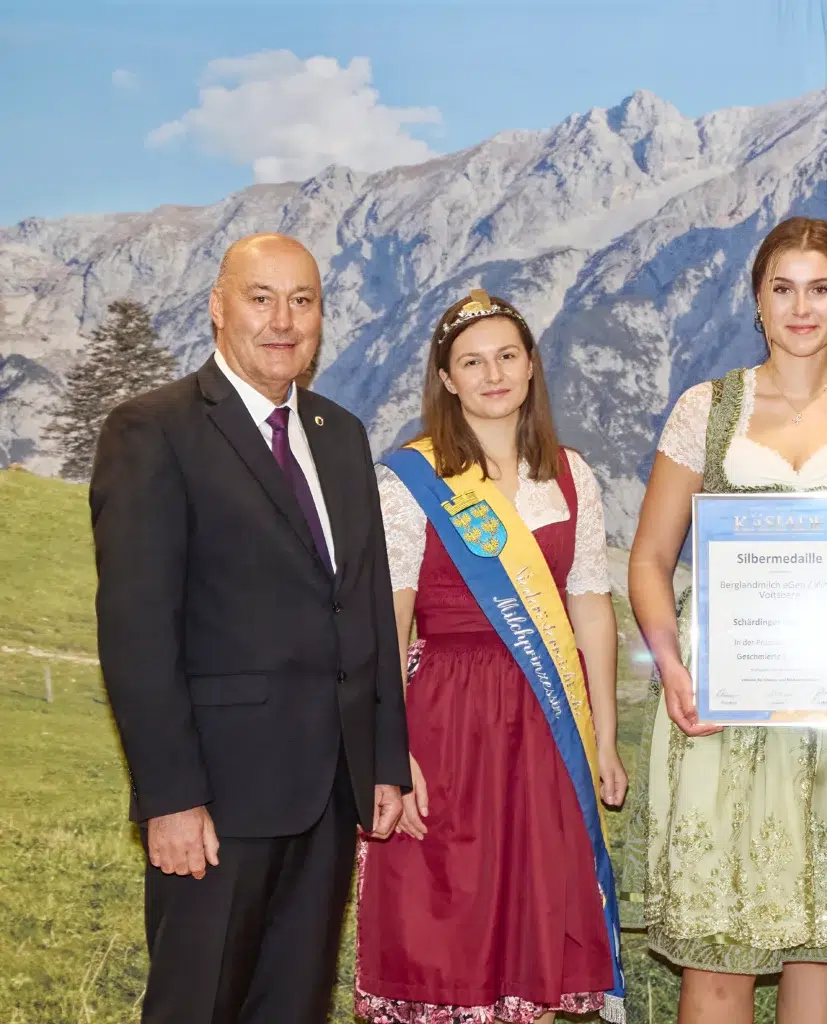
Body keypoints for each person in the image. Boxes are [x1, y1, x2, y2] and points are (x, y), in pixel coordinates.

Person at [89, 233, 410, 1023]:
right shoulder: (153, 430)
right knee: (196, 1006)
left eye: (302, 301)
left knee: (293, 1007)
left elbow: (365, 606)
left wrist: (385, 759)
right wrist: (170, 798)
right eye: (260, 298)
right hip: (215, 803)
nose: (283, 320)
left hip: (330, 796)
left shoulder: (343, 435)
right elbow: (136, 631)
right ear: (217, 308)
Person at [623, 216, 827, 1024]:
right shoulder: (706, 408)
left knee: (818, 942)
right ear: (757, 301)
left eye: (818, 289)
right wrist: (674, 667)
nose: (800, 307)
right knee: (719, 951)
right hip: (722, 696)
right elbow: (649, 560)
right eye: (781, 289)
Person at [353, 289, 628, 1024]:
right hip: (447, 718)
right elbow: (391, 622)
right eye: (471, 362)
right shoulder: (412, 480)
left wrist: (603, 734)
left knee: (529, 912)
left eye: (507, 356)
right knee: (449, 916)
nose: (493, 374)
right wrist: (391, 748)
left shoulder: (571, 475)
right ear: (445, 379)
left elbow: (591, 604)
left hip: (545, 720)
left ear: (532, 366)